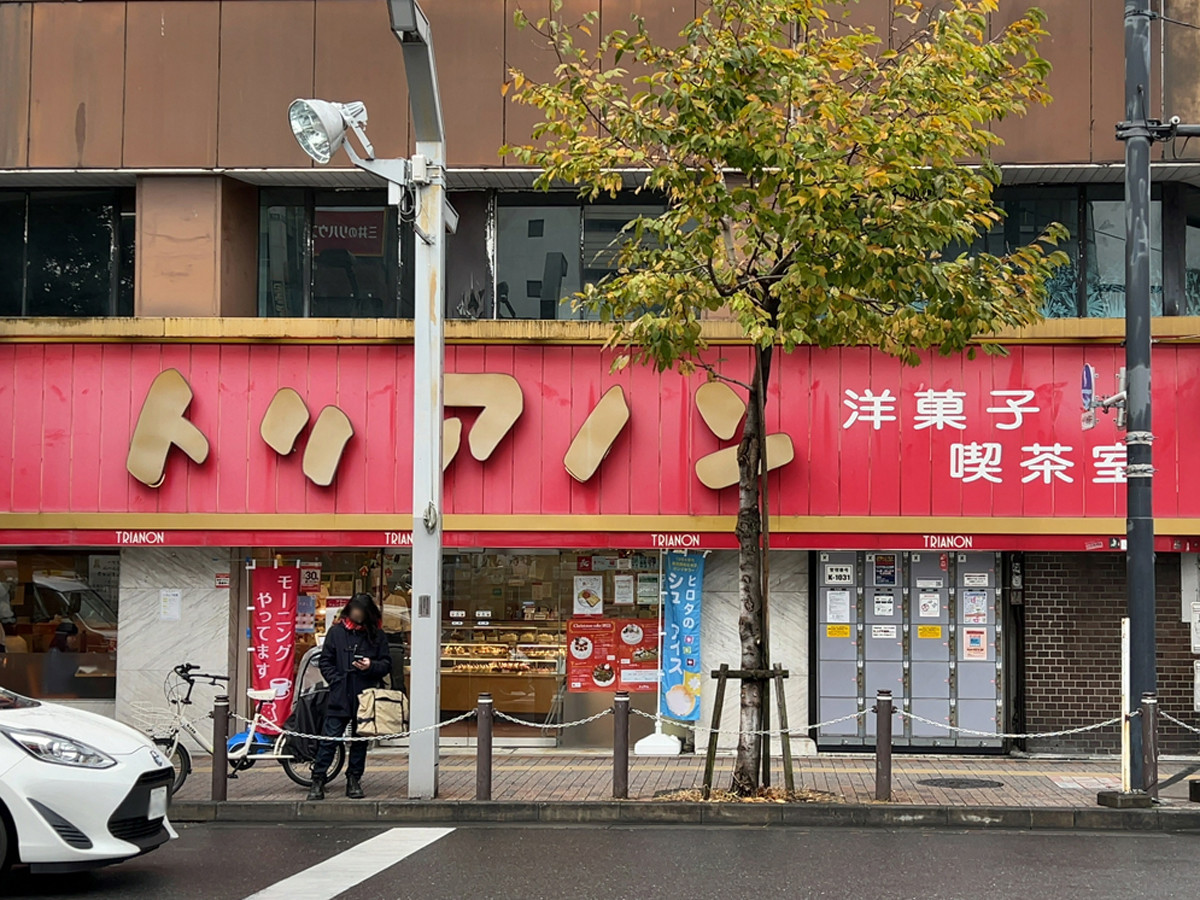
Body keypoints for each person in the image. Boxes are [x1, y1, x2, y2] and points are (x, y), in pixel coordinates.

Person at [307, 593, 391, 801]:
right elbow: (325, 661)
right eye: (355, 611)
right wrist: (336, 680)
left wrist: (371, 666)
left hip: (365, 694)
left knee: (360, 740)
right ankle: (318, 778)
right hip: (340, 693)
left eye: (361, 612)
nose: (357, 615)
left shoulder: (377, 635)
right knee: (329, 738)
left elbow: (386, 664)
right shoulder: (336, 632)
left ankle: (354, 779)